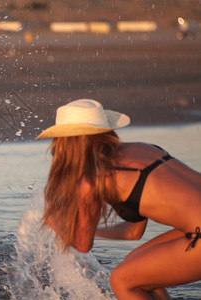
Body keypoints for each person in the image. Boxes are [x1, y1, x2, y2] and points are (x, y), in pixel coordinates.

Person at [36, 99, 201, 299]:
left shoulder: (89, 181)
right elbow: (133, 232)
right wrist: (95, 231)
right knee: (134, 263)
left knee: (121, 280)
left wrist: (56, 223)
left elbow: (82, 245)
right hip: (195, 227)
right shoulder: (145, 148)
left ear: (64, 142)